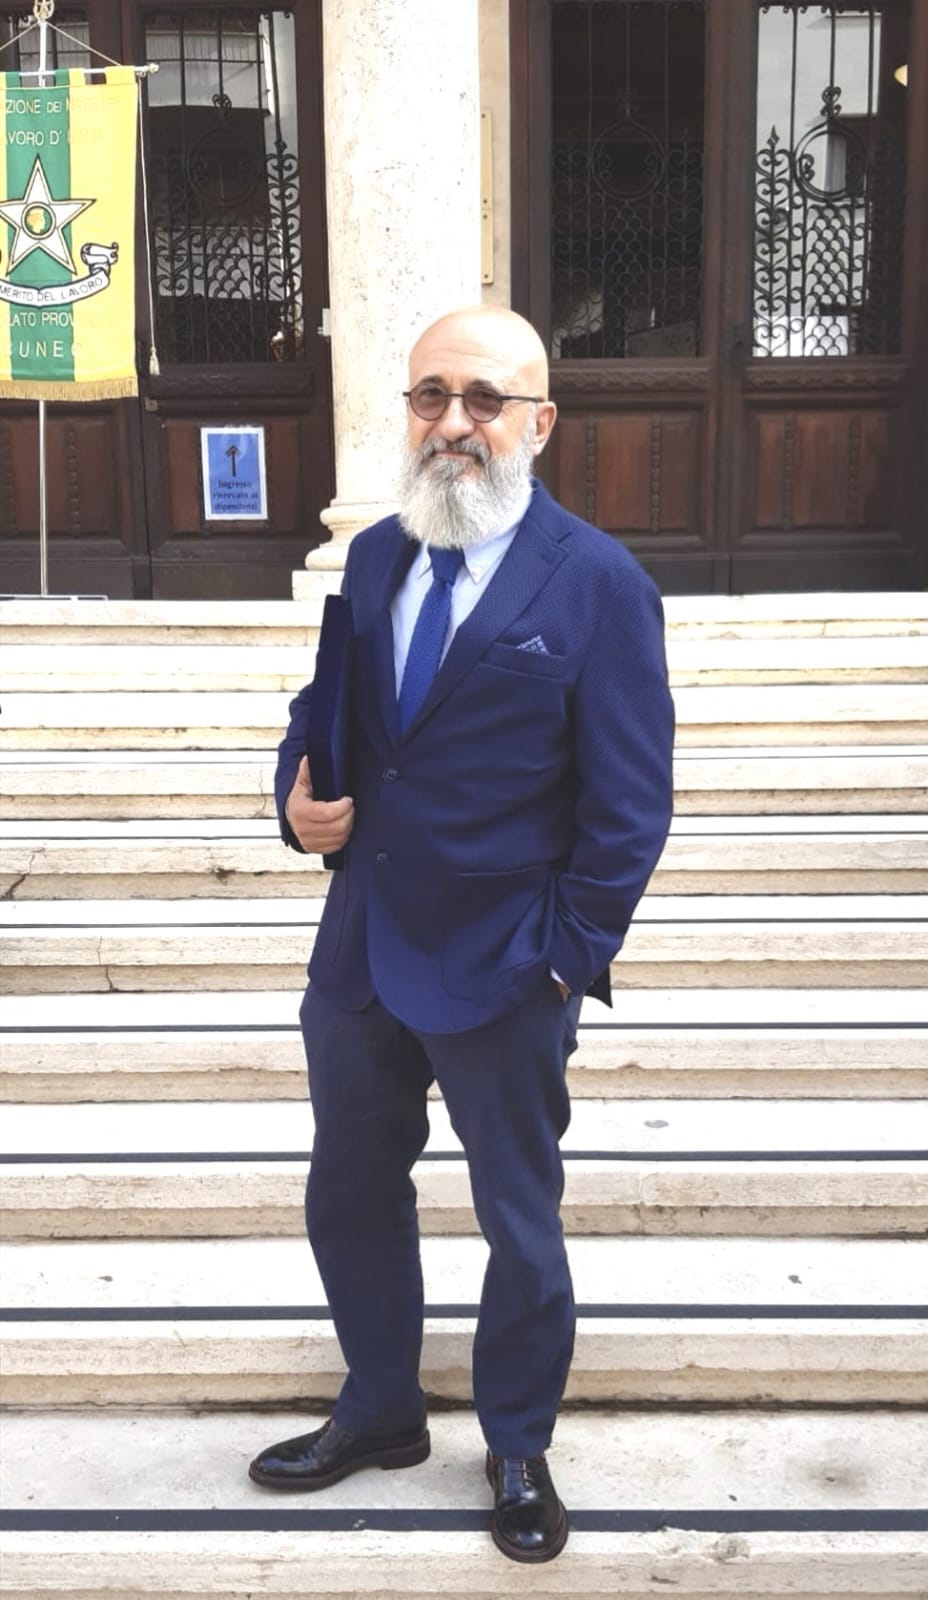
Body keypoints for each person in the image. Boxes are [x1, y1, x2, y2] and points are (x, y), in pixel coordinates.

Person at [249, 305, 674, 1563]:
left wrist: (563, 956)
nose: (453, 422)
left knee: (518, 1222)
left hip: (507, 963)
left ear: (539, 423)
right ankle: (381, 1407)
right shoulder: (378, 555)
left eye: (485, 399)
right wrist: (293, 799)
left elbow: (630, 804)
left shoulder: (597, 582)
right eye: (431, 395)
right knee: (348, 1192)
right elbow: (323, 711)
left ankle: (517, 1443)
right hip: (361, 952)